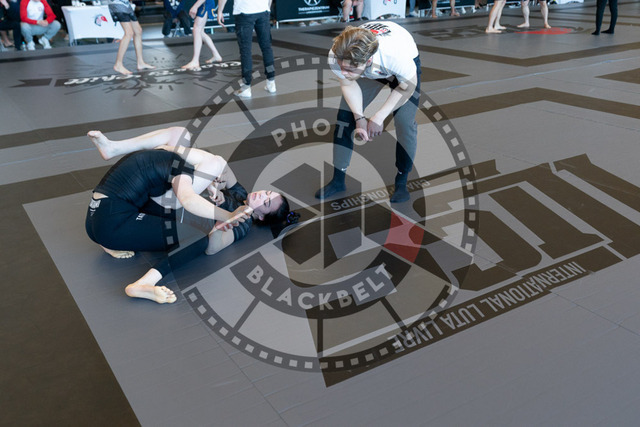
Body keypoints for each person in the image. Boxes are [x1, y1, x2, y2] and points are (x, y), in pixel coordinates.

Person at [85, 127, 295, 303]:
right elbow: (221, 169)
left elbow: (213, 247)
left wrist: (223, 220)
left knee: (198, 233)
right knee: (182, 137)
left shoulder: (244, 224)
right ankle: (142, 282)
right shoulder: (238, 192)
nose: (262, 194)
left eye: (266, 202)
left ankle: (143, 279)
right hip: (112, 222)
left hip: (104, 220)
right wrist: (216, 189)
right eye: (267, 192)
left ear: (261, 216)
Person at [316, 22, 420, 204]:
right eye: (341, 67)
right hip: (369, 70)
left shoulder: (395, 57)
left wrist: (379, 117)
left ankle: (402, 180)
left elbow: (406, 88)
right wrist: (360, 118)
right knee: (345, 118)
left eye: (349, 69)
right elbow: (348, 82)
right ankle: (338, 179)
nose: (343, 72)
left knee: (405, 123)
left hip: (400, 72)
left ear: (368, 61)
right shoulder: (337, 54)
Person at [217, 0, 275, 98]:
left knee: (246, 51)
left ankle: (246, 87)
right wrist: (267, 8)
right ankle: (271, 82)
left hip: (244, 12)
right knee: (267, 48)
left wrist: (219, 11)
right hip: (263, 11)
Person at [107, 0, 155, 75]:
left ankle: (140, 62)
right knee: (129, 33)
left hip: (125, 4)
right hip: (117, 4)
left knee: (138, 31)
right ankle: (118, 64)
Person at [181, 0, 222, 71]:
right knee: (200, 32)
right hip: (204, 3)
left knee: (197, 29)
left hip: (205, 3)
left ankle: (195, 61)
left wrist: (195, 6)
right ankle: (216, 55)